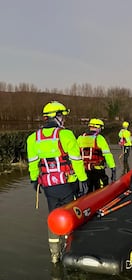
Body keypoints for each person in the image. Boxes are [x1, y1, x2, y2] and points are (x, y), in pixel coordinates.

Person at [27, 100, 89, 264]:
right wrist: (83, 180)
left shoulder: (33, 138)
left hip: (48, 186)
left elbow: (33, 163)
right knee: (70, 216)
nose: (64, 119)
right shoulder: (66, 135)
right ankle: (70, 250)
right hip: (68, 185)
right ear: (57, 116)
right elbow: (76, 160)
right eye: (63, 115)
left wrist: (34, 180)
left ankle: (54, 255)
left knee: (53, 217)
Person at [77, 118, 116, 192]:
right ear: (98, 128)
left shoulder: (80, 138)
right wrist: (113, 167)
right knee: (101, 190)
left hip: (85, 170)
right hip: (98, 170)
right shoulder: (99, 138)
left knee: (88, 190)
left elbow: (75, 154)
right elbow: (107, 154)